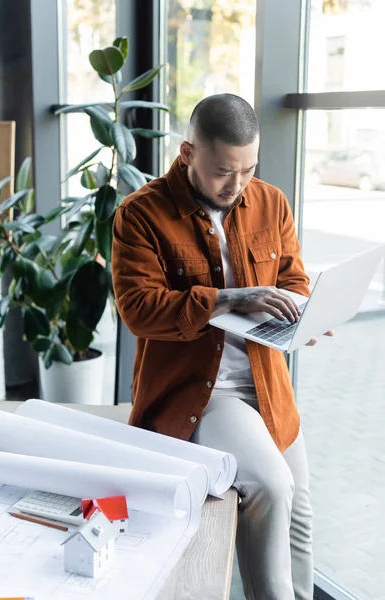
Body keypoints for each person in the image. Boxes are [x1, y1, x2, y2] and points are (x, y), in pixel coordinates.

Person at [111, 93, 333, 600]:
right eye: (222, 172)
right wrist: (233, 297)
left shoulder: (270, 202)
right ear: (188, 153)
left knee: (300, 510)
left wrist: (307, 314)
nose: (236, 186)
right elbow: (140, 310)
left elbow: (293, 280)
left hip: (268, 383)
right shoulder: (141, 215)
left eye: (249, 169)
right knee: (273, 488)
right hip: (204, 394)